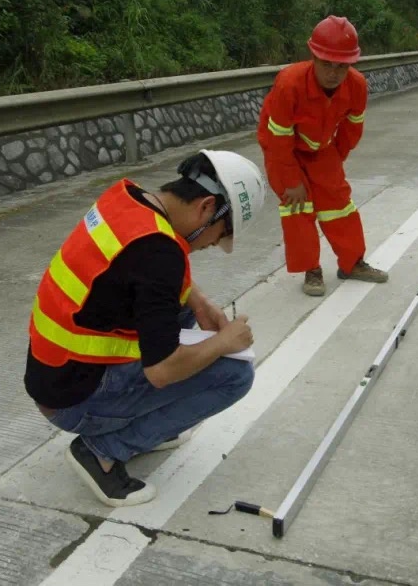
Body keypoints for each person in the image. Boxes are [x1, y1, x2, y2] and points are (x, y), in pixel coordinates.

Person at [24, 149, 266, 507]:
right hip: (72, 403)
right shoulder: (161, 256)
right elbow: (162, 371)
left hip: (54, 374)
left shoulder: (127, 199)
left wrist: (199, 302)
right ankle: (102, 451)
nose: (211, 244)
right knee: (235, 374)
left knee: (182, 311)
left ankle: (147, 427)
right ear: (206, 207)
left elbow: (139, 274)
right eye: (218, 235)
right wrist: (223, 342)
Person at [256, 15, 388, 297]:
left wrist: (333, 162)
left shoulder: (357, 86)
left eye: (342, 66)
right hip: (283, 150)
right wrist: (292, 179)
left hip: (321, 148)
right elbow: (278, 138)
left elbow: (352, 129)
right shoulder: (289, 83)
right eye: (326, 63)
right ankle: (311, 270)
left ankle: (353, 263)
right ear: (313, 57)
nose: (333, 72)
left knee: (339, 202)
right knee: (299, 206)